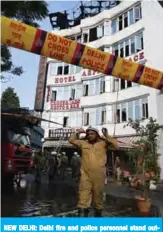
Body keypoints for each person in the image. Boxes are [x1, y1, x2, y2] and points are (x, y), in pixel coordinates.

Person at [69, 126, 118, 217]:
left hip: (99, 174)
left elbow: (116, 146)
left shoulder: (103, 143)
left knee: (98, 194)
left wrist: (107, 135)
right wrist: (78, 133)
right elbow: (71, 140)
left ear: (97, 135)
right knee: (83, 195)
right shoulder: (83, 143)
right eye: (89, 134)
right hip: (85, 174)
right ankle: (83, 216)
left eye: (92, 134)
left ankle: (98, 215)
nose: (90, 136)